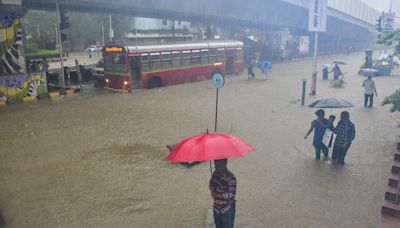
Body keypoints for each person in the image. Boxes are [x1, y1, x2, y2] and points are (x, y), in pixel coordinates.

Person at [209, 159, 236, 228]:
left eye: (217, 164)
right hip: (216, 209)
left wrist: (216, 194)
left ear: (224, 164)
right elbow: (211, 187)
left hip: (227, 210)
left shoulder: (231, 177)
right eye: (215, 163)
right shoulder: (215, 174)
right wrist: (211, 186)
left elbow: (230, 196)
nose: (215, 166)